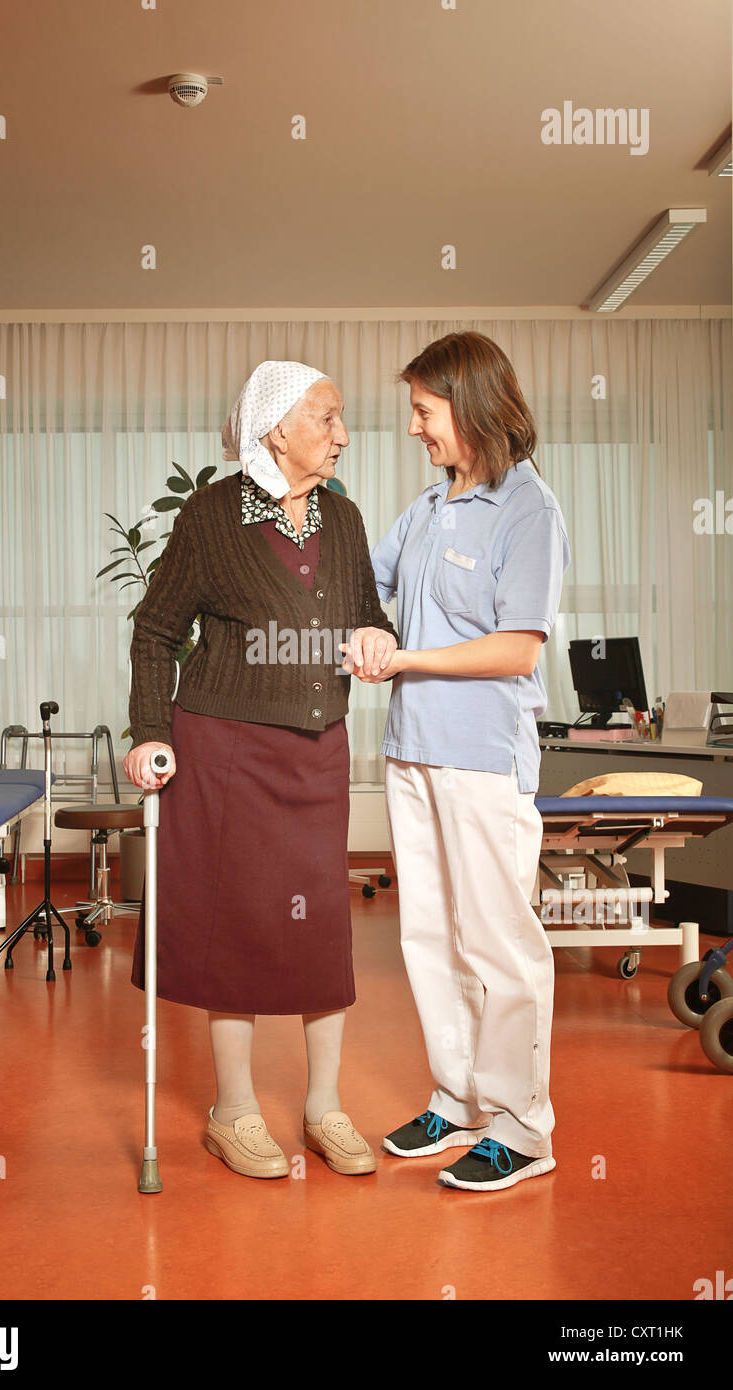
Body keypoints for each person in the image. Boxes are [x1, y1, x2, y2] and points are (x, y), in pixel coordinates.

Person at [123, 360, 398, 1180]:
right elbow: (154, 630)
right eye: (328, 418)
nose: (343, 434)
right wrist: (145, 731)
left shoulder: (341, 518)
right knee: (234, 922)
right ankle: (233, 1110)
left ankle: (323, 1104)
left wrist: (375, 639)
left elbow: (365, 615)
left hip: (317, 748)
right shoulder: (211, 516)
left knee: (323, 927)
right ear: (277, 429)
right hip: (227, 748)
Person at [348, 330, 570, 1192]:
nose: (414, 428)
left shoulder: (527, 509)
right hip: (412, 750)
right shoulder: (431, 507)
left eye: (423, 410)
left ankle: (523, 1127)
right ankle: (461, 1097)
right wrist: (371, 626)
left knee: (498, 944)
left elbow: (517, 650)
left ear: (469, 407)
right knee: (430, 936)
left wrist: (403, 657)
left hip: (482, 757)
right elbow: (367, 590)